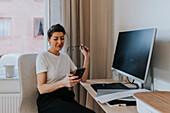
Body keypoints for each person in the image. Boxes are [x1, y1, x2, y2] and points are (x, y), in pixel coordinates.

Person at [36, 24, 95, 113]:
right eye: (56, 39)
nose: (60, 42)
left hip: (65, 97)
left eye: (62, 38)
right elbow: (41, 89)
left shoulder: (65, 57)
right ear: (49, 40)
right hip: (48, 100)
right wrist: (63, 82)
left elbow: (83, 79)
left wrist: (86, 57)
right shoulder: (43, 57)